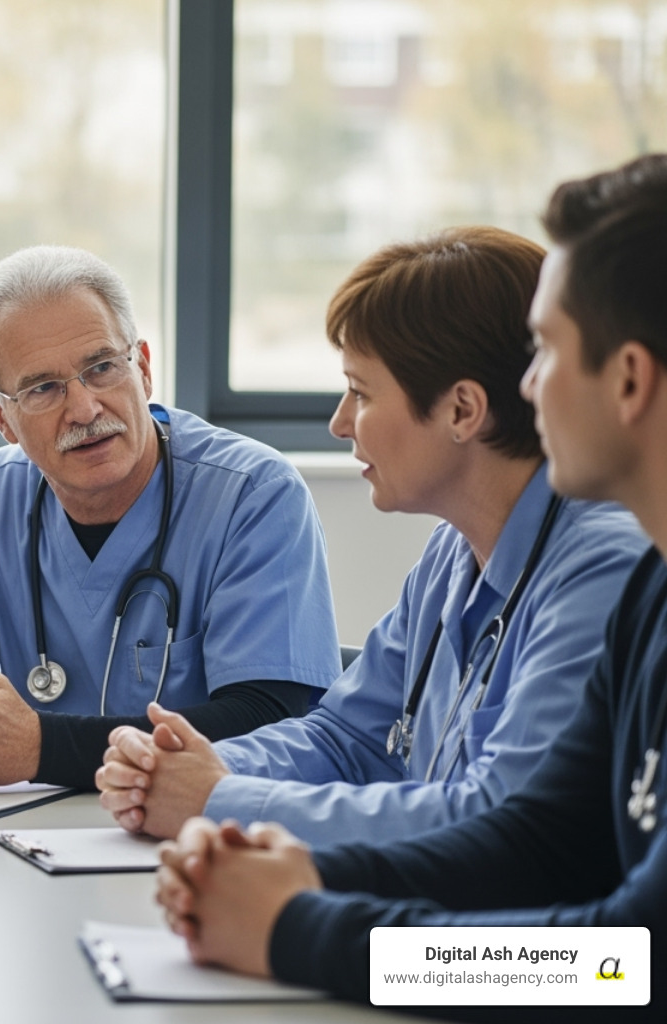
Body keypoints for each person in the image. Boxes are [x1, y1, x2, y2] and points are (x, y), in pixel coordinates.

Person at [153, 154, 667, 1020]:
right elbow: (534, 840)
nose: (527, 386)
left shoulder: (616, 570)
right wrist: (290, 873)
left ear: (627, 379)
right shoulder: (655, 587)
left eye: (545, 350)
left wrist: (299, 928)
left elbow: (624, 967)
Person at [95, 227, 645, 844]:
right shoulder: (452, 553)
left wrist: (218, 798)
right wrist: (194, 767)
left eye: (360, 391)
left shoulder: (603, 569)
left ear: (462, 410)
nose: (339, 422)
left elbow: (496, 819)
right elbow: (345, 736)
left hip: (550, 945)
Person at [0, 245, 340, 791]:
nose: (84, 409)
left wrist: (41, 748)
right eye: (43, 388)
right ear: (1, 416)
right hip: (26, 836)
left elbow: (268, 716)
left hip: (200, 835)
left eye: (101, 368)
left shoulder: (253, 494)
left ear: (143, 369)